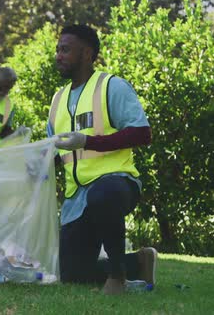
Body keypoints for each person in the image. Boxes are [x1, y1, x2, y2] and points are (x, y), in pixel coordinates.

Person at [48, 24, 157, 294]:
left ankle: (118, 277)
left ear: (86, 54)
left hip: (115, 185)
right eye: (57, 50)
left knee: (102, 194)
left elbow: (143, 134)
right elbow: (55, 152)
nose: (58, 55)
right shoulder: (57, 100)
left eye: (65, 50)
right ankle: (137, 262)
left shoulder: (112, 86)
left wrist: (89, 142)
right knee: (71, 274)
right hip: (77, 199)